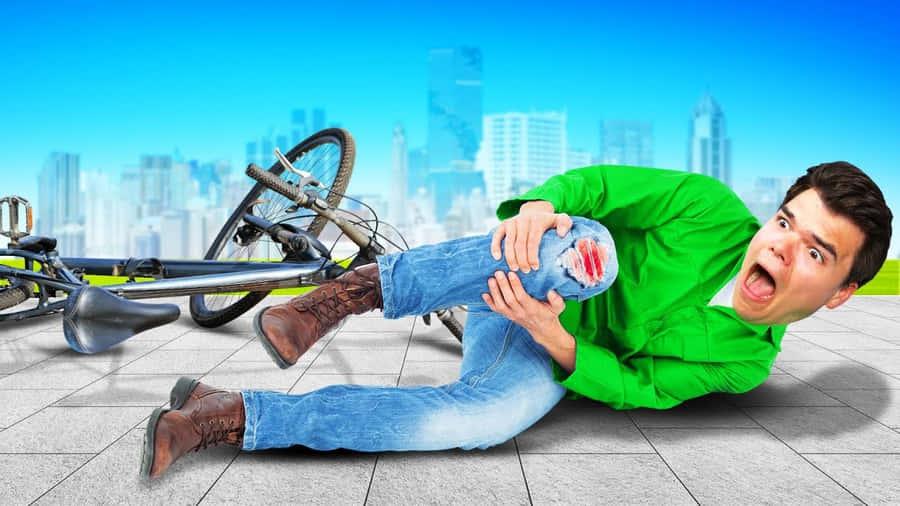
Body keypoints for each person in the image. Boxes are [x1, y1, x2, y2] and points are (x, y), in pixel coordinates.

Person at [140, 161, 892, 479]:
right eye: (786, 222)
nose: (780, 247)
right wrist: (540, 206)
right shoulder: (709, 209)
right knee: (592, 252)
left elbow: (641, 387)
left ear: (839, 293)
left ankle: (224, 414)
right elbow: (600, 187)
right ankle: (341, 298)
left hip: (540, 337)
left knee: (488, 418)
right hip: (530, 262)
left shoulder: (746, 361)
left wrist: (556, 339)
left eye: (815, 252)